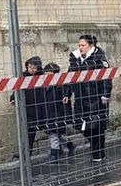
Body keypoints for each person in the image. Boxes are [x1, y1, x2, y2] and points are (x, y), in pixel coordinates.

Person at [66, 34, 112, 163]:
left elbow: (106, 77)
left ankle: (97, 155)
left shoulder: (99, 59)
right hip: (81, 97)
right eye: (79, 45)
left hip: (95, 98)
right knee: (82, 127)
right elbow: (70, 78)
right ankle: (96, 149)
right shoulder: (75, 59)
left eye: (83, 45)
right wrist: (67, 94)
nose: (80, 48)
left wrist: (105, 94)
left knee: (97, 127)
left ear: (91, 45)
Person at [43, 62, 76, 163]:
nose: (46, 76)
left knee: (54, 133)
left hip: (58, 114)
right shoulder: (43, 85)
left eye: (49, 74)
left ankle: (55, 153)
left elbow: (66, 103)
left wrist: (67, 115)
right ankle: (69, 144)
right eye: (45, 74)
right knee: (54, 134)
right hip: (47, 114)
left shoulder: (61, 87)